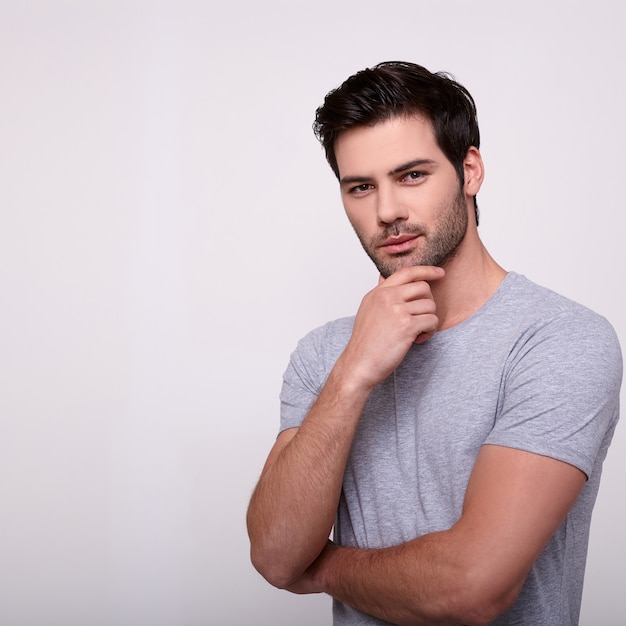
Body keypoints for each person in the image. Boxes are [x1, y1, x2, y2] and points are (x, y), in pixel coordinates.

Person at [246, 61, 622, 625]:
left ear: (469, 170)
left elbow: (471, 589)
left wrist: (320, 570)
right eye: (361, 187)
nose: (387, 211)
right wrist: (353, 374)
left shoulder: (558, 340)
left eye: (413, 175)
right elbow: (275, 556)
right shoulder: (326, 356)